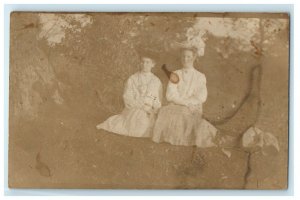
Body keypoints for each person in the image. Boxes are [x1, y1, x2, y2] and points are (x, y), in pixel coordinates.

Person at [152, 47, 217, 147]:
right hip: (177, 104)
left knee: (185, 113)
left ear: (194, 58)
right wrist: (184, 103)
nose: (186, 59)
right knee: (166, 111)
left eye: (189, 57)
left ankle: (185, 139)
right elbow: (170, 95)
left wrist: (188, 103)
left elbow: (201, 97)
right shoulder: (175, 74)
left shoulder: (200, 76)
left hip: (194, 106)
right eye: (183, 56)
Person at [96, 52, 162, 138]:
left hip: (149, 111)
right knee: (136, 124)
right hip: (135, 108)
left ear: (153, 64)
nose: (144, 64)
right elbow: (127, 97)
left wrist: (155, 110)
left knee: (149, 125)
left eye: (147, 62)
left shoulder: (156, 81)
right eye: (142, 62)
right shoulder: (133, 78)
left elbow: (156, 99)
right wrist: (141, 106)